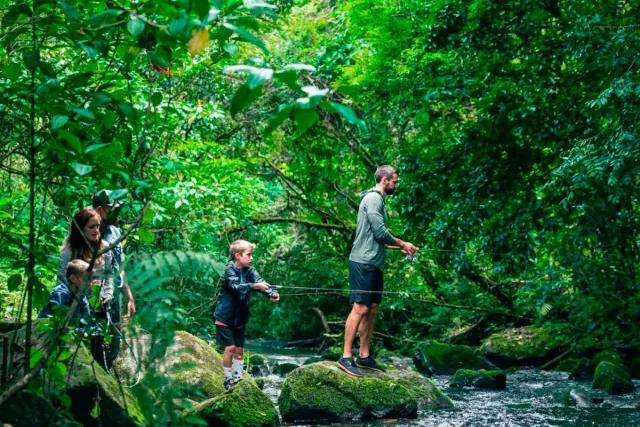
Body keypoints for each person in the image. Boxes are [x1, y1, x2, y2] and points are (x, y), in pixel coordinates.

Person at [338, 165, 418, 377]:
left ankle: (364, 357)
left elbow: (377, 237)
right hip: (362, 262)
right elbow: (380, 231)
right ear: (384, 180)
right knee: (360, 308)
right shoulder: (373, 198)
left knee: (371, 309)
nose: (396, 184)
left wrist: (401, 247)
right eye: (394, 181)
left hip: (373, 262)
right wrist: (402, 243)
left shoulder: (379, 200)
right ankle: (346, 356)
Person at [214, 240, 280, 391]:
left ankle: (238, 379)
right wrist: (254, 286)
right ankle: (227, 379)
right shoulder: (228, 270)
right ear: (237, 256)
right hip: (225, 317)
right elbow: (236, 287)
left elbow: (261, 282)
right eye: (249, 255)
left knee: (239, 349)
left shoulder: (250, 270)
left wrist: (272, 293)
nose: (251, 258)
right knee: (230, 348)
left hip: (240, 318)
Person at [92, 189, 136, 320]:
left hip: (116, 294)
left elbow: (119, 265)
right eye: (111, 210)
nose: (115, 214)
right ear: (100, 210)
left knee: (116, 336)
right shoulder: (86, 233)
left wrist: (129, 296)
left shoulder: (115, 232)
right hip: (95, 295)